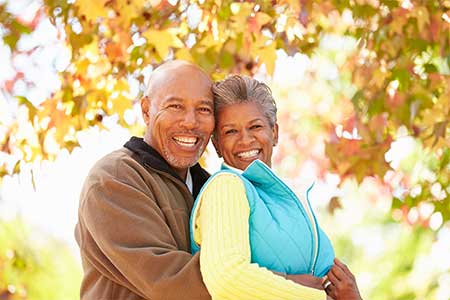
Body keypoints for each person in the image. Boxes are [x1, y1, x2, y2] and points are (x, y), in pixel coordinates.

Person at [190, 75, 362, 300]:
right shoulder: (226, 187)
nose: (245, 139)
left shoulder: (286, 200)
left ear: (275, 133)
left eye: (256, 126)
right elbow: (227, 278)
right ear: (217, 145)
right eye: (231, 131)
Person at [75, 60, 215, 299]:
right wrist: (283, 284)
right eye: (175, 106)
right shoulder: (114, 177)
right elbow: (172, 283)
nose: (191, 122)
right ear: (147, 111)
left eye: (204, 109)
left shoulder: (214, 188)